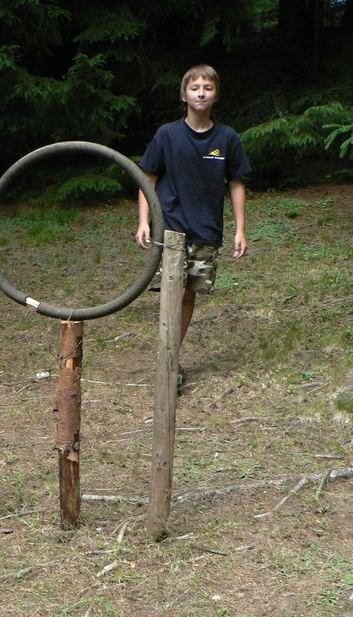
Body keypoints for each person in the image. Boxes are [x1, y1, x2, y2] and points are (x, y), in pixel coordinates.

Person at [135, 64, 251, 387]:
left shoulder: (227, 138)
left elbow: (236, 183)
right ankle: (167, 364)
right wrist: (143, 221)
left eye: (208, 88)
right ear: (184, 95)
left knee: (188, 296)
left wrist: (240, 229)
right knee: (171, 293)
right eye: (195, 88)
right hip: (170, 229)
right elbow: (147, 178)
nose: (201, 93)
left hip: (206, 231)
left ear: (216, 95)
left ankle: (171, 357)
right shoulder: (167, 135)